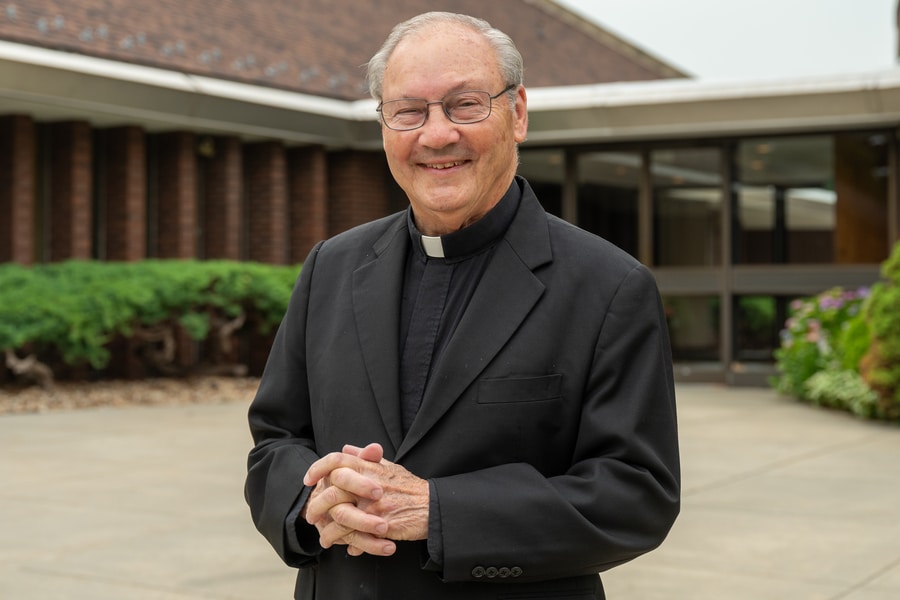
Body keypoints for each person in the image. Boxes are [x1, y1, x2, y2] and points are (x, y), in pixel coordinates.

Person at [245, 11, 680, 600]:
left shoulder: (609, 286)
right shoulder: (332, 267)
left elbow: (635, 496)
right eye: (409, 112)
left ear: (517, 113)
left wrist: (438, 510)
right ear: (383, 124)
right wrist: (310, 501)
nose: (436, 135)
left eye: (464, 105)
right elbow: (274, 440)